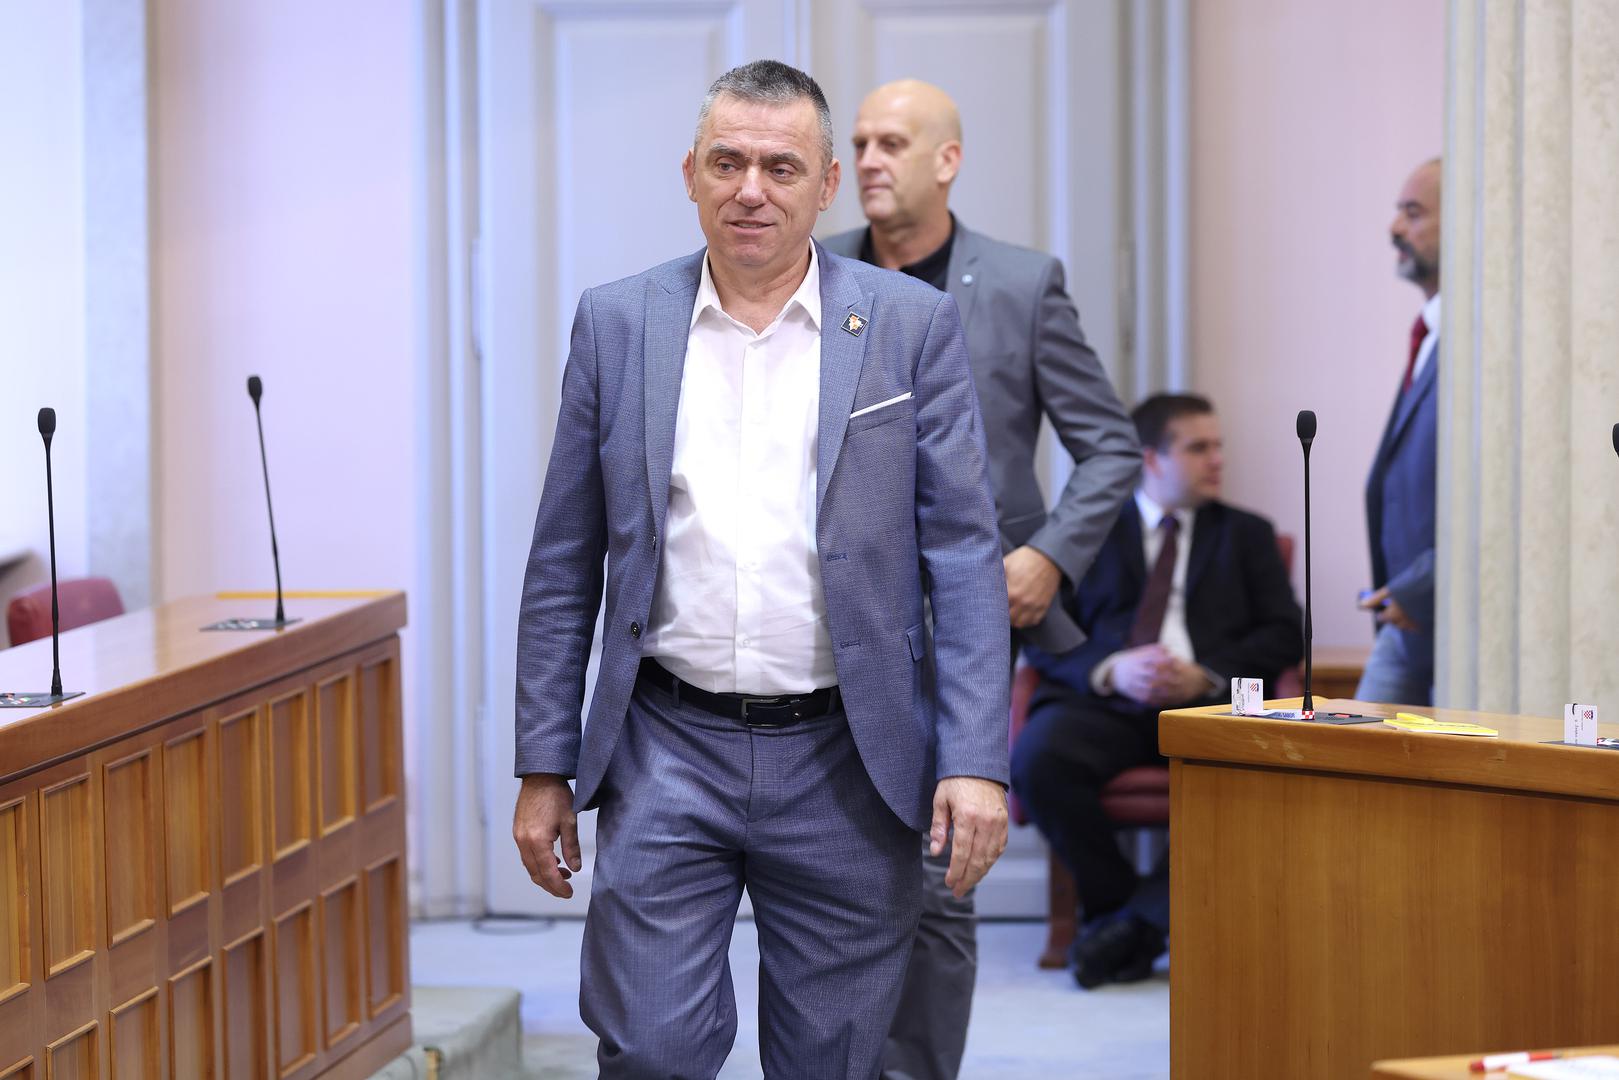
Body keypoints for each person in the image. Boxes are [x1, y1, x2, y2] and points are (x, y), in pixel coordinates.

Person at [510, 60, 1012, 1079]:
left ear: (825, 185)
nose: (751, 190)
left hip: (847, 757)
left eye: (781, 168)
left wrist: (973, 760)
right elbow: (563, 561)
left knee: (832, 1058)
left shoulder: (907, 325)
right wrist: (542, 763)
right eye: (727, 162)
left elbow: (963, 556)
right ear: (689, 173)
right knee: (649, 1049)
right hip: (665, 747)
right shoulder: (617, 323)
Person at [820, 79, 1138, 1079]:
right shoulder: (815, 273)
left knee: (935, 869)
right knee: (831, 872)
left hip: (964, 616)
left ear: (946, 160)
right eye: (859, 143)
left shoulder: (1020, 284)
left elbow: (1109, 447)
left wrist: (1047, 554)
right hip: (832, 617)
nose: (868, 161)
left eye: (892, 143)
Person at [1012, 394, 1302, 989]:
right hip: (1105, 706)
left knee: (1252, 773)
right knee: (1039, 760)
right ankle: (1127, 913)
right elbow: (1044, 631)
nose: (1217, 460)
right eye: (1198, 448)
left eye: (1218, 446)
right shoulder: (1088, 533)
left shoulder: (1247, 535)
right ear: (1150, 459)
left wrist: (1206, 673)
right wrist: (1111, 669)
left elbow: (1284, 634)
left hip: (1212, 704)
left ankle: (1129, 929)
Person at [1356, 157, 1441, 706]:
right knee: (1352, 754)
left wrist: (1424, 586)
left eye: (1413, 213)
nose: (1394, 228)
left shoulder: (1487, 336)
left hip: (1450, 612)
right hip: (1407, 622)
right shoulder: (1432, 333)